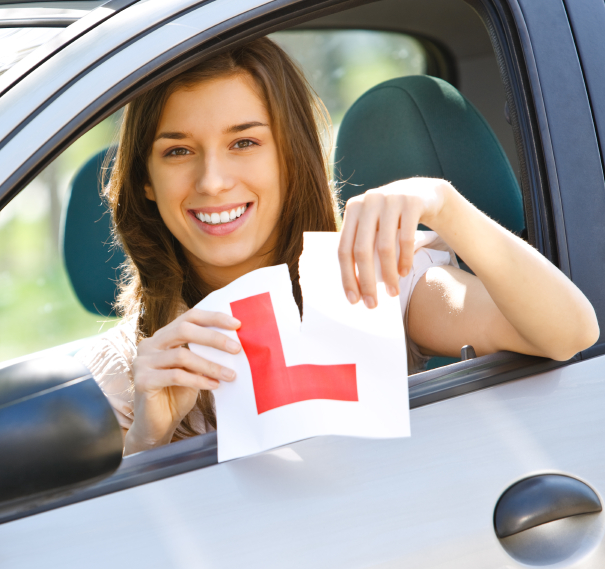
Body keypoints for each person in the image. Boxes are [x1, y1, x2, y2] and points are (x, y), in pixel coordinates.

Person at [74, 37, 598, 456]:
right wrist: (148, 440)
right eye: (179, 150)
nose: (212, 181)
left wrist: (443, 203)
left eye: (245, 142)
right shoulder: (130, 366)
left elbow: (569, 333)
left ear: (291, 157)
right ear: (145, 178)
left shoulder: (373, 278)